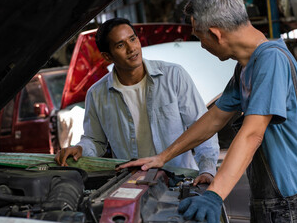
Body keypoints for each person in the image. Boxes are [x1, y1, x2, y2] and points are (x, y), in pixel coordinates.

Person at [118, 0, 297, 223]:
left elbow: (252, 134)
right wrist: (162, 157)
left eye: (200, 37)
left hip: (296, 204)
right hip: (272, 201)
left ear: (215, 34)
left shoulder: (272, 60)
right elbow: (215, 118)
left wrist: (214, 195)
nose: (202, 46)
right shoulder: (246, 68)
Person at [55, 18, 220, 184]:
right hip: (132, 184)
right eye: (120, 45)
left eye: (132, 39)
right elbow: (95, 141)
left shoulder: (173, 76)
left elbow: (202, 127)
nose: (131, 48)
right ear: (107, 56)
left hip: (178, 180)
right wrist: (80, 148)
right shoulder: (97, 94)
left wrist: (207, 170)